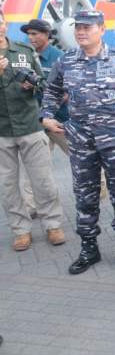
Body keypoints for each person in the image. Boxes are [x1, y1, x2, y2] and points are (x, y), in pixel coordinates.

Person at [41, 10, 115, 274]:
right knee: (85, 195)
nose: (81, 32)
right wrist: (46, 116)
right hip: (81, 140)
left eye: (87, 27)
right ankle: (89, 247)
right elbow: (51, 90)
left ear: (101, 29)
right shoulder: (66, 61)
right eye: (78, 27)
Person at [0, 13, 65, 251]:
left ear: (5, 24)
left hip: (30, 125)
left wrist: (33, 84)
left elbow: (44, 85)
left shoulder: (25, 51)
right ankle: (21, 230)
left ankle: (53, 224)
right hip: (2, 131)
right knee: (8, 185)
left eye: (0, 22)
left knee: (43, 180)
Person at [21, 19, 69, 154]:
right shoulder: (26, 56)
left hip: (59, 121)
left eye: (34, 34)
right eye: (29, 34)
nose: (30, 37)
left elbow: (67, 92)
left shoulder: (60, 58)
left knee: (83, 162)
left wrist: (38, 87)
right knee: (40, 168)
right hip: (36, 123)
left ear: (47, 34)